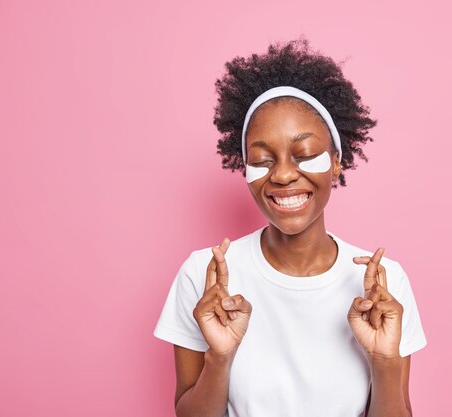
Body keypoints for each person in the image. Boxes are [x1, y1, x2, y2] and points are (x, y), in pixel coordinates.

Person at [153, 37, 427, 417]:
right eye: (263, 159)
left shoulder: (384, 284)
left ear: (336, 162)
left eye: (304, 155)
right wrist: (219, 358)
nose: (282, 174)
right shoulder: (204, 276)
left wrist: (385, 363)